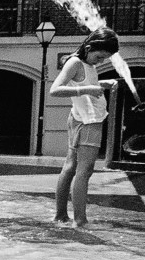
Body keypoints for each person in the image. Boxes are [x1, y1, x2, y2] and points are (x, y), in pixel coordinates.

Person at [50, 27, 120, 228]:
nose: (101, 61)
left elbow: (84, 82)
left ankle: (60, 215)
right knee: (85, 170)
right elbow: (55, 90)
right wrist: (87, 89)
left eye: (104, 59)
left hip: (80, 118)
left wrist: (101, 83)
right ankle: (80, 220)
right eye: (99, 57)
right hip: (88, 122)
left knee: (71, 167)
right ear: (89, 48)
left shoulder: (86, 64)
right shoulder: (76, 62)